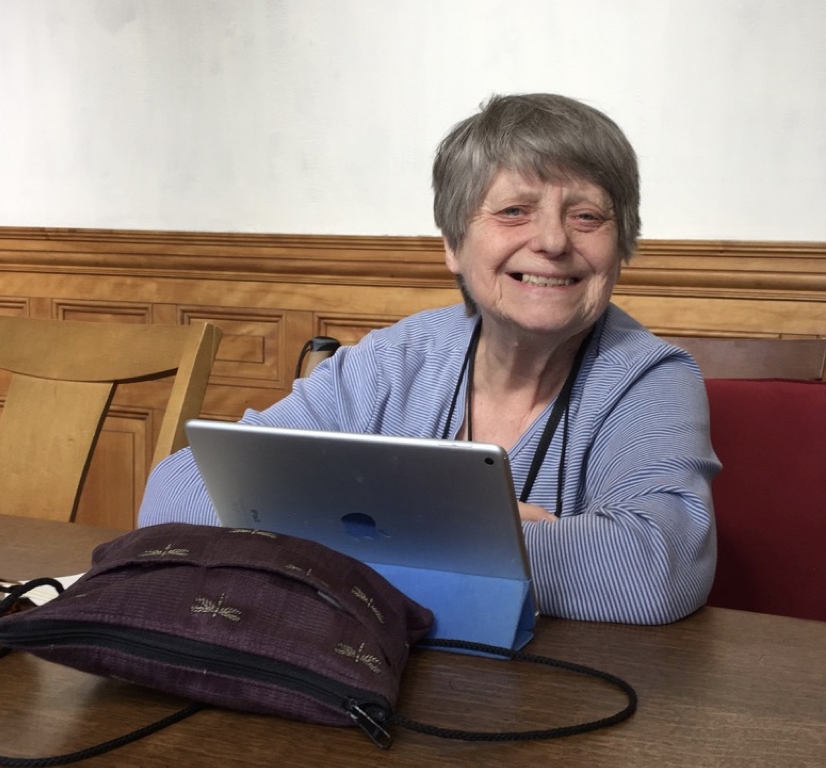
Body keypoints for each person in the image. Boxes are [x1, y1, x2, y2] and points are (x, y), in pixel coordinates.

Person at [139, 93, 719, 625]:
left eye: (587, 215)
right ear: (452, 244)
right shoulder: (398, 357)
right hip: (362, 678)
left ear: (621, 248)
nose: (552, 241)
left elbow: (655, 572)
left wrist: (342, 536)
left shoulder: (652, 376)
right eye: (515, 210)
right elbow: (178, 490)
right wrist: (504, 541)